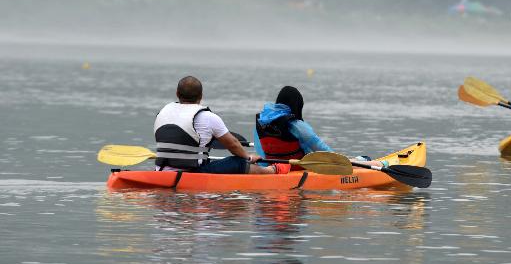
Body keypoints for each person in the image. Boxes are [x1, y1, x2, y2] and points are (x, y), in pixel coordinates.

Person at [154, 76, 285, 175]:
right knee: (237, 161)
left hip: (161, 171)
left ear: (177, 93)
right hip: (194, 173)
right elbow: (233, 144)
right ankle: (271, 171)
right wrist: (249, 157)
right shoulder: (209, 117)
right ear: (201, 96)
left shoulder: (162, 113)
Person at [254, 86, 387, 168]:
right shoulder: (297, 125)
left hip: (274, 168)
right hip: (301, 168)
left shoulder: (262, 123)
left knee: (352, 160)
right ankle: (380, 164)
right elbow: (325, 152)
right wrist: (341, 162)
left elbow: (262, 154)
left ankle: (361, 160)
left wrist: (265, 171)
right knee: (355, 162)